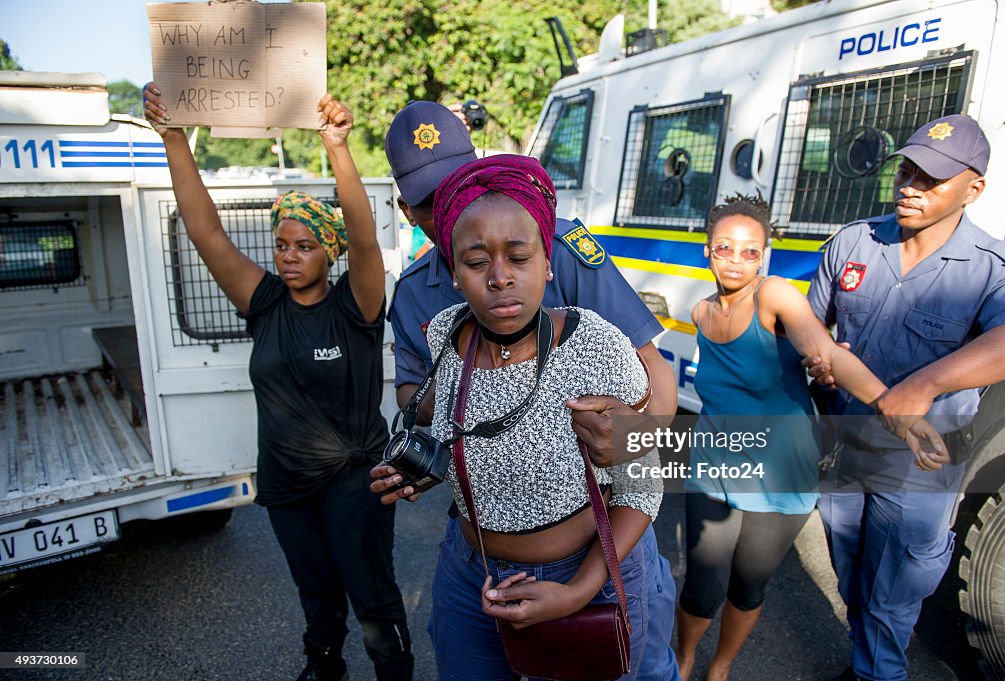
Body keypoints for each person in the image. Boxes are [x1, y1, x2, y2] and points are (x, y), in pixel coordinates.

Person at [372, 101, 681, 679]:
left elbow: (649, 391)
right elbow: (420, 405)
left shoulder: (560, 257)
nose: (454, 208)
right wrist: (441, 455)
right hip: (477, 561)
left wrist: (633, 437)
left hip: (592, 547)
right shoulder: (427, 308)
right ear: (406, 208)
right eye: (430, 202)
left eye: (518, 256)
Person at [142, 85, 414, 681]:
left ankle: (395, 673)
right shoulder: (264, 303)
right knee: (315, 593)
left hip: (352, 478)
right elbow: (206, 232)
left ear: (330, 253)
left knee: (371, 596)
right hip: (288, 483)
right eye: (282, 245)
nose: (289, 257)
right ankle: (324, 669)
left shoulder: (356, 308)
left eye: (305, 246)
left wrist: (336, 148)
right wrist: (172, 138)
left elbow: (366, 238)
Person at [674, 194, 944, 681]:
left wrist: (893, 410)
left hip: (783, 471)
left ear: (765, 257)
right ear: (708, 251)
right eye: (725, 248)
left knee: (747, 586)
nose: (736, 260)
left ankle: (719, 669)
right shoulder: (699, 312)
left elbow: (825, 351)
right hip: (716, 463)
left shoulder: (774, 295)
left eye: (750, 251)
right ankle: (682, 659)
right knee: (701, 586)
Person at [804, 114, 1005, 681]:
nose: (910, 186)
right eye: (907, 170)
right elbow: (809, 325)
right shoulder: (855, 241)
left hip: (921, 461)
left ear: (973, 189)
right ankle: (865, 658)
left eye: (932, 179)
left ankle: (880, 673)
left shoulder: (990, 268)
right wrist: (817, 361)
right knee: (849, 566)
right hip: (845, 443)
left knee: (897, 582)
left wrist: (925, 385)